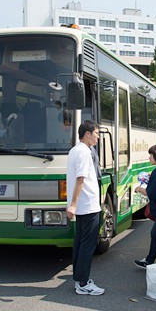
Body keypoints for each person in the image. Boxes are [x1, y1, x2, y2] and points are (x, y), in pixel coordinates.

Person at [66, 120, 104, 296]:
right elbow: (81, 179)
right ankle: (83, 283)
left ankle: (79, 279)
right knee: (87, 246)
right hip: (87, 205)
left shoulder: (75, 150)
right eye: (96, 133)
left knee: (80, 244)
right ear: (87, 134)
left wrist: (73, 205)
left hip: (84, 206)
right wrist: (73, 205)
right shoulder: (83, 152)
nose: (98, 137)